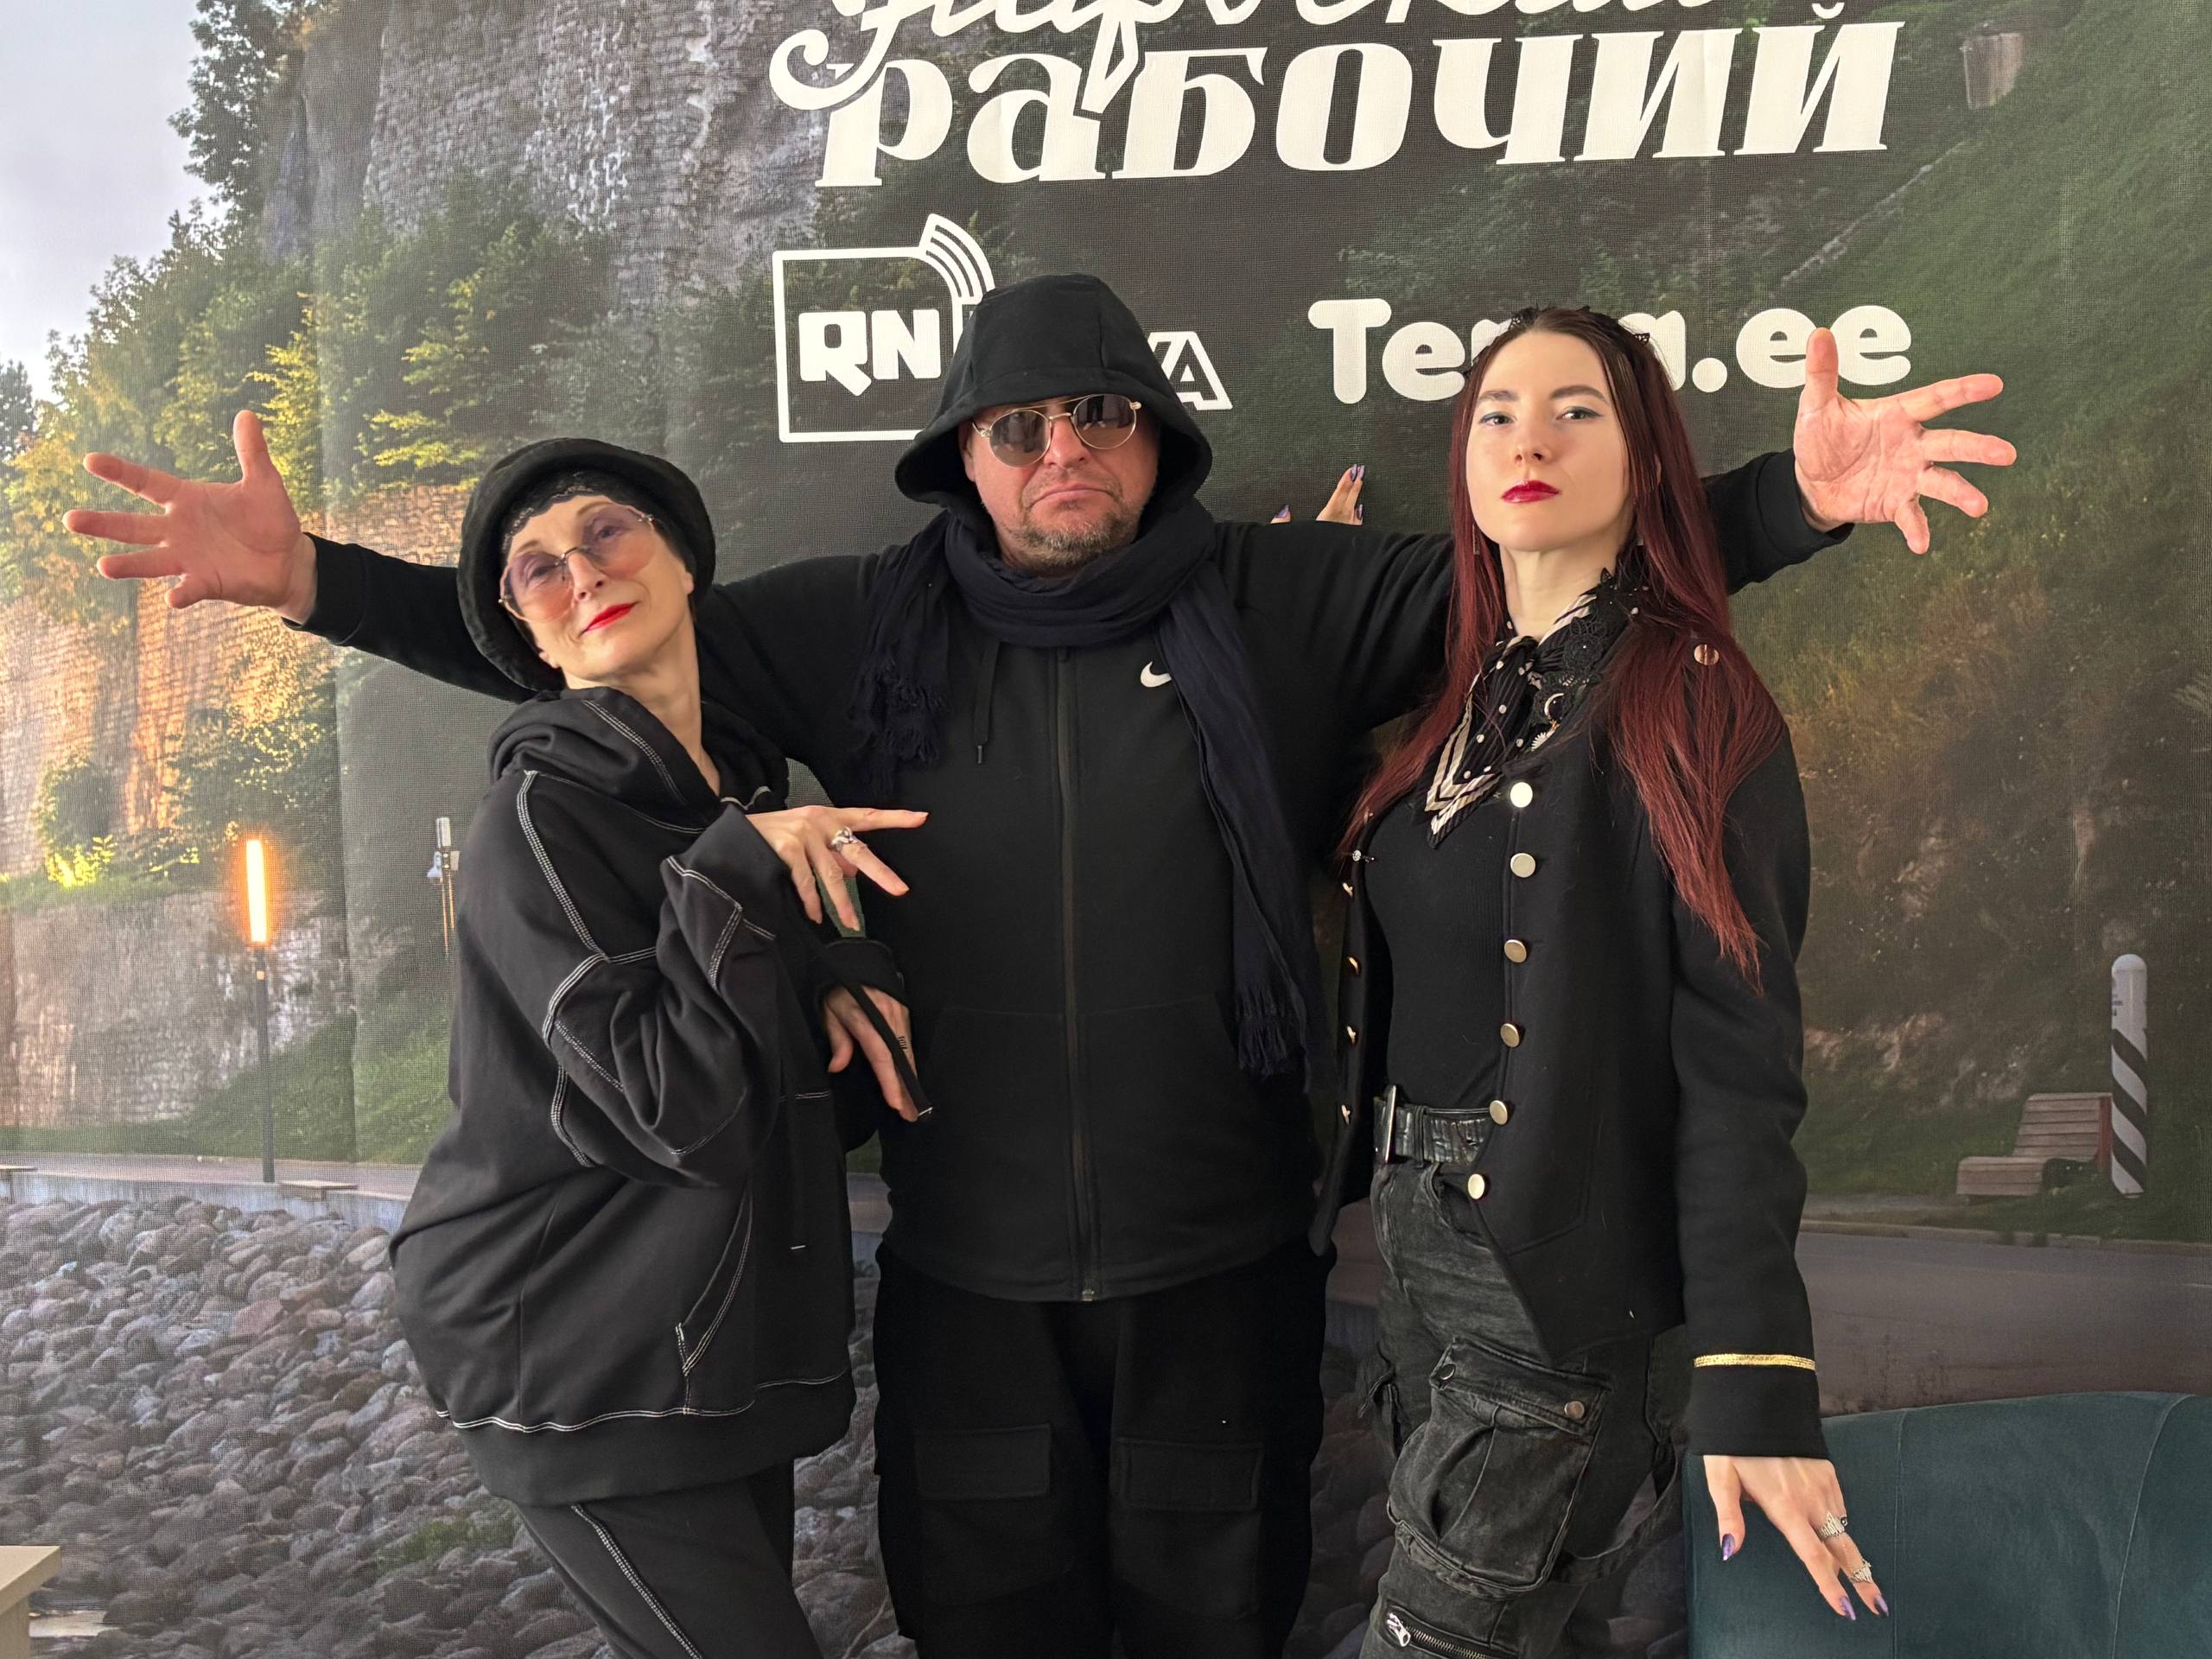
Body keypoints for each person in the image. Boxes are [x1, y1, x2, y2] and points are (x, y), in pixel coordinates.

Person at [69, 273, 2010, 1659]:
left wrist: (1789, 502)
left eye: (1100, 416)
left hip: (1222, 1270)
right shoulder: (859, 629)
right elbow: (594, 630)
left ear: (1154, 442)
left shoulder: (1283, 596)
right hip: (966, 1282)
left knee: (1216, 1619)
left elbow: (1553, 561)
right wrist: (316, 581)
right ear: (966, 462)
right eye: (1021, 426)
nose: (1063, 449)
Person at [1317, 308, 1883, 1658]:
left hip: (1551, 1284)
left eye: (1579, 411)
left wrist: (1756, 1379)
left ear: (1647, 461)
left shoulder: (1693, 698)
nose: (1531, 441)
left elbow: (1739, 1069)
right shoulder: (1465, 699)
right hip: (1418, 1263)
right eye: (1498, 414)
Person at [382, 438, 926, 1659]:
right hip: (571, 1347)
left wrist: (839, 972)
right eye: (538, 569)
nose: (582, 572)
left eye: (605, 533)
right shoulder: (538, 820)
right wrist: (740, 873)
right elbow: (679, 1110)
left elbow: (779, 1074)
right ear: (533, 637)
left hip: (702, 1347)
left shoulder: (733, 791)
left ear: (682, 561)